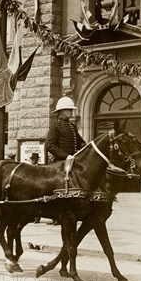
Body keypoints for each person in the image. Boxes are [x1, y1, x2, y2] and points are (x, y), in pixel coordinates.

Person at [45, 96, 86, 225]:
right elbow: (49, 144)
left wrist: (85, 147)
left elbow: (80, 142)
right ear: (61, 111)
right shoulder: (56, 126)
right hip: (60, 162)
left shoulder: (72, 127)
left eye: (71, 110)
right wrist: (65, 156)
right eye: (69, 110)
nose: (71, 112)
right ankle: (56, 213)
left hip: (73, 161)